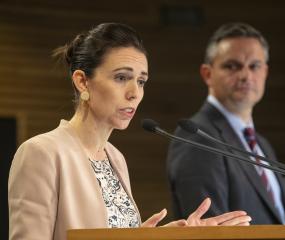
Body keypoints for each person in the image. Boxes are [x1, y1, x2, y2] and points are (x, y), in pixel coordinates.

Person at [8, 23, 251, 240]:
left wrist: (170, 237)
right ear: (82, 81)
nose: (135, 93)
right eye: (121, 77)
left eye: (141, 81)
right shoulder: (40, 153)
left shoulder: (115, 158)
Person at [167, 22, 285, 225]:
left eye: (254, 66)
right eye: (232, 66)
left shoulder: (263, 146)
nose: (246, 75)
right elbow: (210, 229)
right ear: (207, 74)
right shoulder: (197, 137)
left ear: (265, 72)